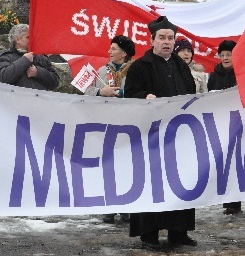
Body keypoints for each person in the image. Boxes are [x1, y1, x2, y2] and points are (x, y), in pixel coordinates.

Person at [124, 16, 197, 249]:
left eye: (170, 38)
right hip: (151, 137)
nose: (167, 42)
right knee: (152, 183)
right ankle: (149, 234)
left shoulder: (181, 66)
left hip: (178, 136)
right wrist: (144, 97)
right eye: (162, 38)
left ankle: (178, 232)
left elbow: (192, 95)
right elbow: (129, 96)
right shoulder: (139, 67)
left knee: (181, 181)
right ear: (152, 40)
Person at [84, 35, 135, 224]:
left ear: (124, 52)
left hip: (128, 123)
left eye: (113, 49)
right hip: (105, 123)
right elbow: (86, 91)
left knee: (126, 165)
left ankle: (126, 205)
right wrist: (100, 92)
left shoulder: (136, 70)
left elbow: (140, 91)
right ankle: (108, 205)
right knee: (107, 165)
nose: (109, 52)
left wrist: (121, 93)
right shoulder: (101, 71)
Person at [207, 39, 242, 214]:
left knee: (240, 162)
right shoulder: (213, 76)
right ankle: (229, 201)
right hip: (221, 124)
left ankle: (240, 200)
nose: (226, 58)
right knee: (225, 163)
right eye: (223, 55)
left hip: (240, 123)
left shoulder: (242, 74)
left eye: (229, 54)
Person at [0, 23, 60, 91]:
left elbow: (55, 82)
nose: (32, 40)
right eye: (28, 37)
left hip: (40, 100)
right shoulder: (4, 57)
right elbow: (5, 78)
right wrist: (25, 60)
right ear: (18, 40)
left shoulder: (41, 57)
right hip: (17, 100)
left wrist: (38, 72)